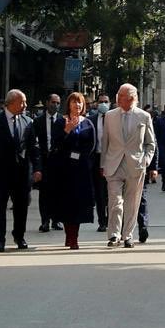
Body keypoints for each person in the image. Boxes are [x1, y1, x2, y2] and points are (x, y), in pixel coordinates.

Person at [0, 89, 41, 252]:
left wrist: (37, 168)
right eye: (22, 102)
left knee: (21, 207)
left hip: (21, 173)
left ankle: (19, 236)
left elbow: (33, 147)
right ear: (11, 103)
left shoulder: (28, 121)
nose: (25, 105)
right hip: (0, 174)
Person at [100, 83, 156, 248]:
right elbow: (106, 143)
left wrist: (146, 161)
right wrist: (103, 164)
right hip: (114, 164)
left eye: (125, 98)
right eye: (120, 97)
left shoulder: (144, 116)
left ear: (133, 99)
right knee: (115, 200)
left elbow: (150, 143)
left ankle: (128, 235)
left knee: (132, 202)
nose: (121, 101)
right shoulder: (110, 116)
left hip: (136, 164)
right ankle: (114, 235)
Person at [48, 92, 96, 248]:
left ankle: (74, 237)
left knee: (79, 204)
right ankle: (69, 235)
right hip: (64, 169)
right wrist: (66, 131)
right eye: (74, 102)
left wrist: (83, 159)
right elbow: (55, 145)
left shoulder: (88, 123)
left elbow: (91, 146)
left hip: (81, 170)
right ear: (68, 104)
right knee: (66, 204)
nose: (77, 105)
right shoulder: (60, 122)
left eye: (80, 103)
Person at [32, 93, 64, 232]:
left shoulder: (63, 120)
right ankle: (45, 220)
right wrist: (37, 168)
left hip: (58, 162)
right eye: (53, 102)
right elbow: (35, 144)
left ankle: (56, 220)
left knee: (57, 192)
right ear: (47, 103)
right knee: (44, 193)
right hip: (44, 161)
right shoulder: (38, 121)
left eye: (58, 103)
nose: (55, 105)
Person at [87, 92, 110, 231]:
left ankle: (111, 219)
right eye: (101, 101)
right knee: (100, 193)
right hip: (96, 159)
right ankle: (102, 221)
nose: (103, 104)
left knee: (111, 192)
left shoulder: (114, 118)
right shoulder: (91, 119)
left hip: (111, 159)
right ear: (96, 103)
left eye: (105, 101)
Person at [136, 131, 159, 243]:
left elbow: (152, 144)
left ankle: (143, 228)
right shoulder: (115, 117)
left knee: (141, 199)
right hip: (120, 167)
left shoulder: (143, 118)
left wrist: (153, 167)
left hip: (140, 167)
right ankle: (122, 230)